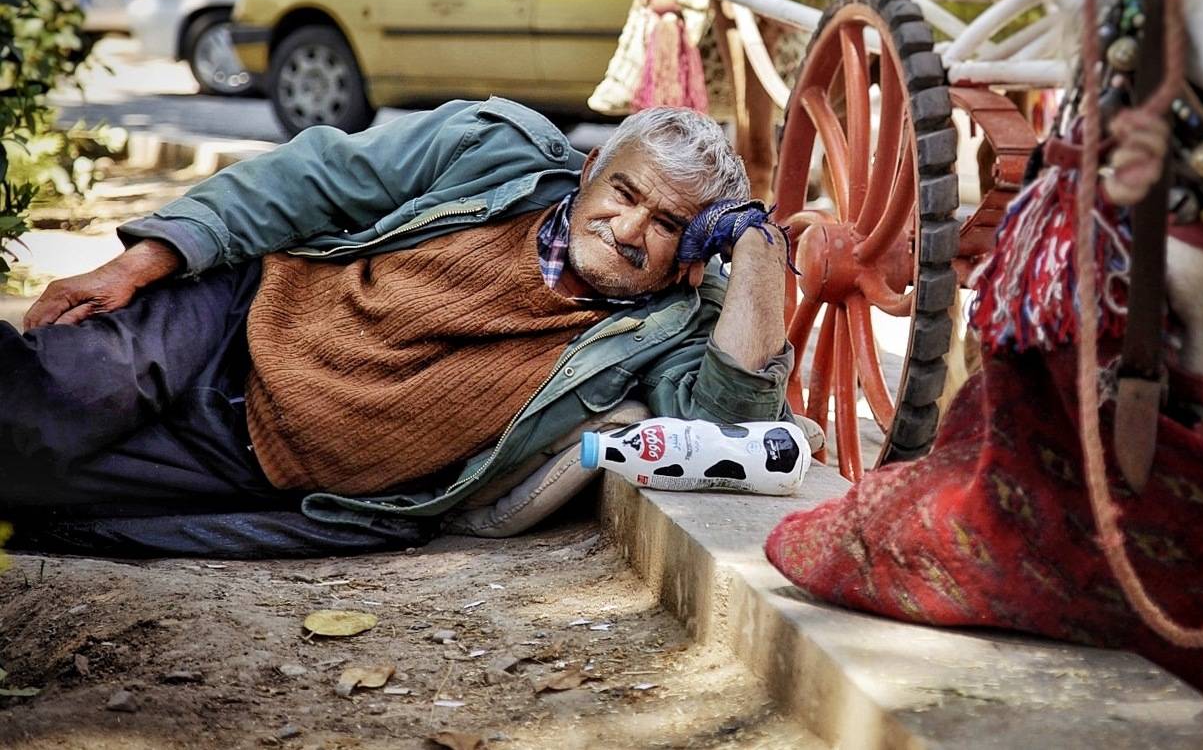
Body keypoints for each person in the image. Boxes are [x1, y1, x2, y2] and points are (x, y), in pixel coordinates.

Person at [0, 104, 792, 557]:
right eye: (624, 193)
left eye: (669, 226)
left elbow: (733, 433)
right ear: (589, 171)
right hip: (229, 321)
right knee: (47, 400)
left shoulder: (670, 324)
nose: (629, 230)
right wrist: (139, 263)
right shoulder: (496, 146)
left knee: (33, 492)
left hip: (259, 469)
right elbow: (309, 177)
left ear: (693, 254)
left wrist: (758, 249)